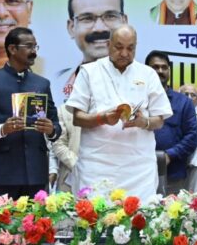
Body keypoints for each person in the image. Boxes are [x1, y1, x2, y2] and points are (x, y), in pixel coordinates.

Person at [65, 25, 172, 202]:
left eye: (130, 48)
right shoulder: (89, 72)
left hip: (138, 168)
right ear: (109, 45)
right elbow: (78, 118)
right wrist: (102, 118)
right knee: (94, 215)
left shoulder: (148, 74)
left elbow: (159, 120)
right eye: (119, 47)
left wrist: (144, 122)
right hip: (97, 165)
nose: (124, 53)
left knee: (140, 215)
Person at [0, 27, 61, 199]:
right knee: (1, 218)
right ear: (12, 49)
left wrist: (51, 130)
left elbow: (56, 126)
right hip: (1, 174)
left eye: (35, 46)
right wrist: (3, 129)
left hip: (36, 174)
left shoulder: (42, 84)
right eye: (29, 46)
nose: (34, 51)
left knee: (38, 217)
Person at [56, 0, 128, 102]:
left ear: (124, 22)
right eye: (87, 18)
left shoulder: (146, 79)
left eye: (110, 16)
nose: (100, 28)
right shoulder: (55, 83)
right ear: (71, 27)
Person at [146, 51, 197, 194]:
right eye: (155, 67)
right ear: (146, 70)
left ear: (169, 71)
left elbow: (192, 136)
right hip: (140, 170)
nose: (160, 71)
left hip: (173, 174)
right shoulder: (138, 100)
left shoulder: (183, 102)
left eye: (164, 67)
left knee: (173, 208)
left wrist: (169, 155)